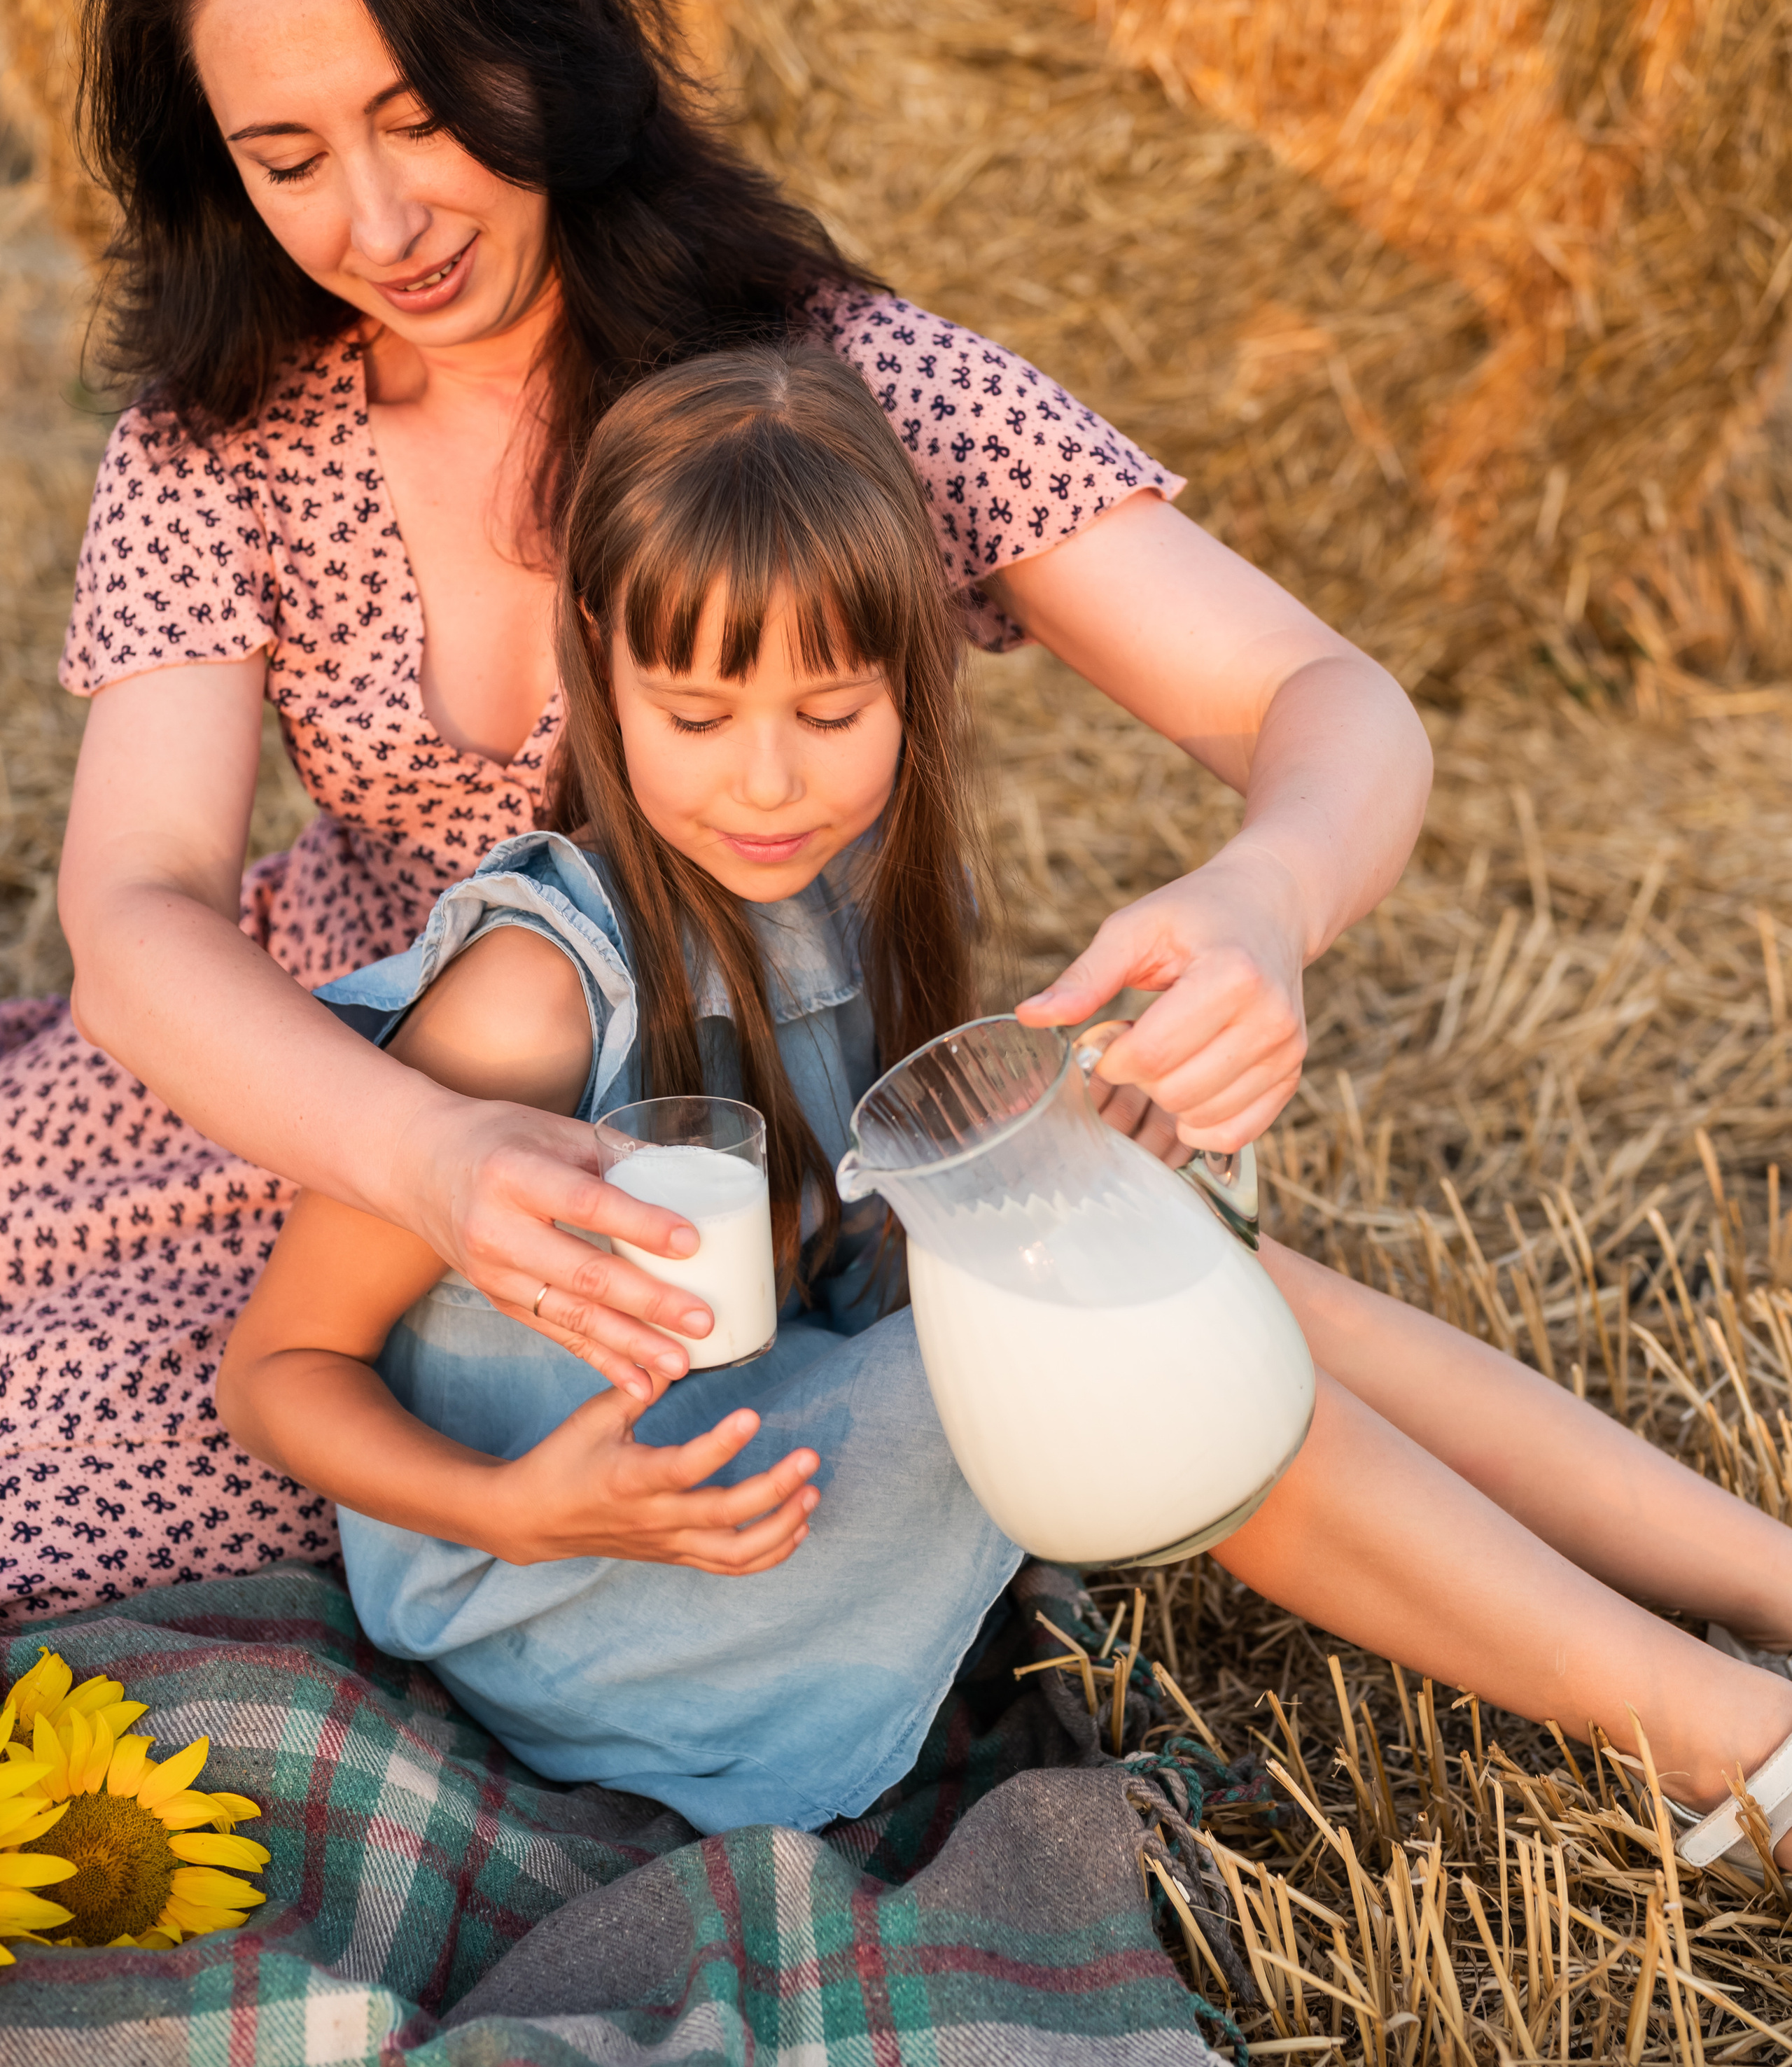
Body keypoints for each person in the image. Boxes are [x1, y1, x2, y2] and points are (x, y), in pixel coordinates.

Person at [4, 0, 1429, 1612]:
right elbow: (136, 914)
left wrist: (1269, 893)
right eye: (287, 161)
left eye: (423, 118)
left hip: (701, 1159)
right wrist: (430, 1158)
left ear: (545, 61)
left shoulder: (814, 388)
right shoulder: (225, 436)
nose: (376, 220)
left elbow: (1319, 693)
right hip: (297, 1104)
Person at [216, 346, 1792, 1869]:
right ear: (595, 667)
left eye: (828, 715)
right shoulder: (531, 1001)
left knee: (1199, 1269)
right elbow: (281, 1370)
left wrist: (1075, 1152)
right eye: (696, 718)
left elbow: (866, 1228)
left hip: (760, 1449)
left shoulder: (858, 892)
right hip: (602, 1596)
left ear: (911, 678)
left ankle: (1771, 1585)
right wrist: (522, 1510)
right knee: (1125, 1352)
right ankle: (1729, 1743)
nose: (766, 781)